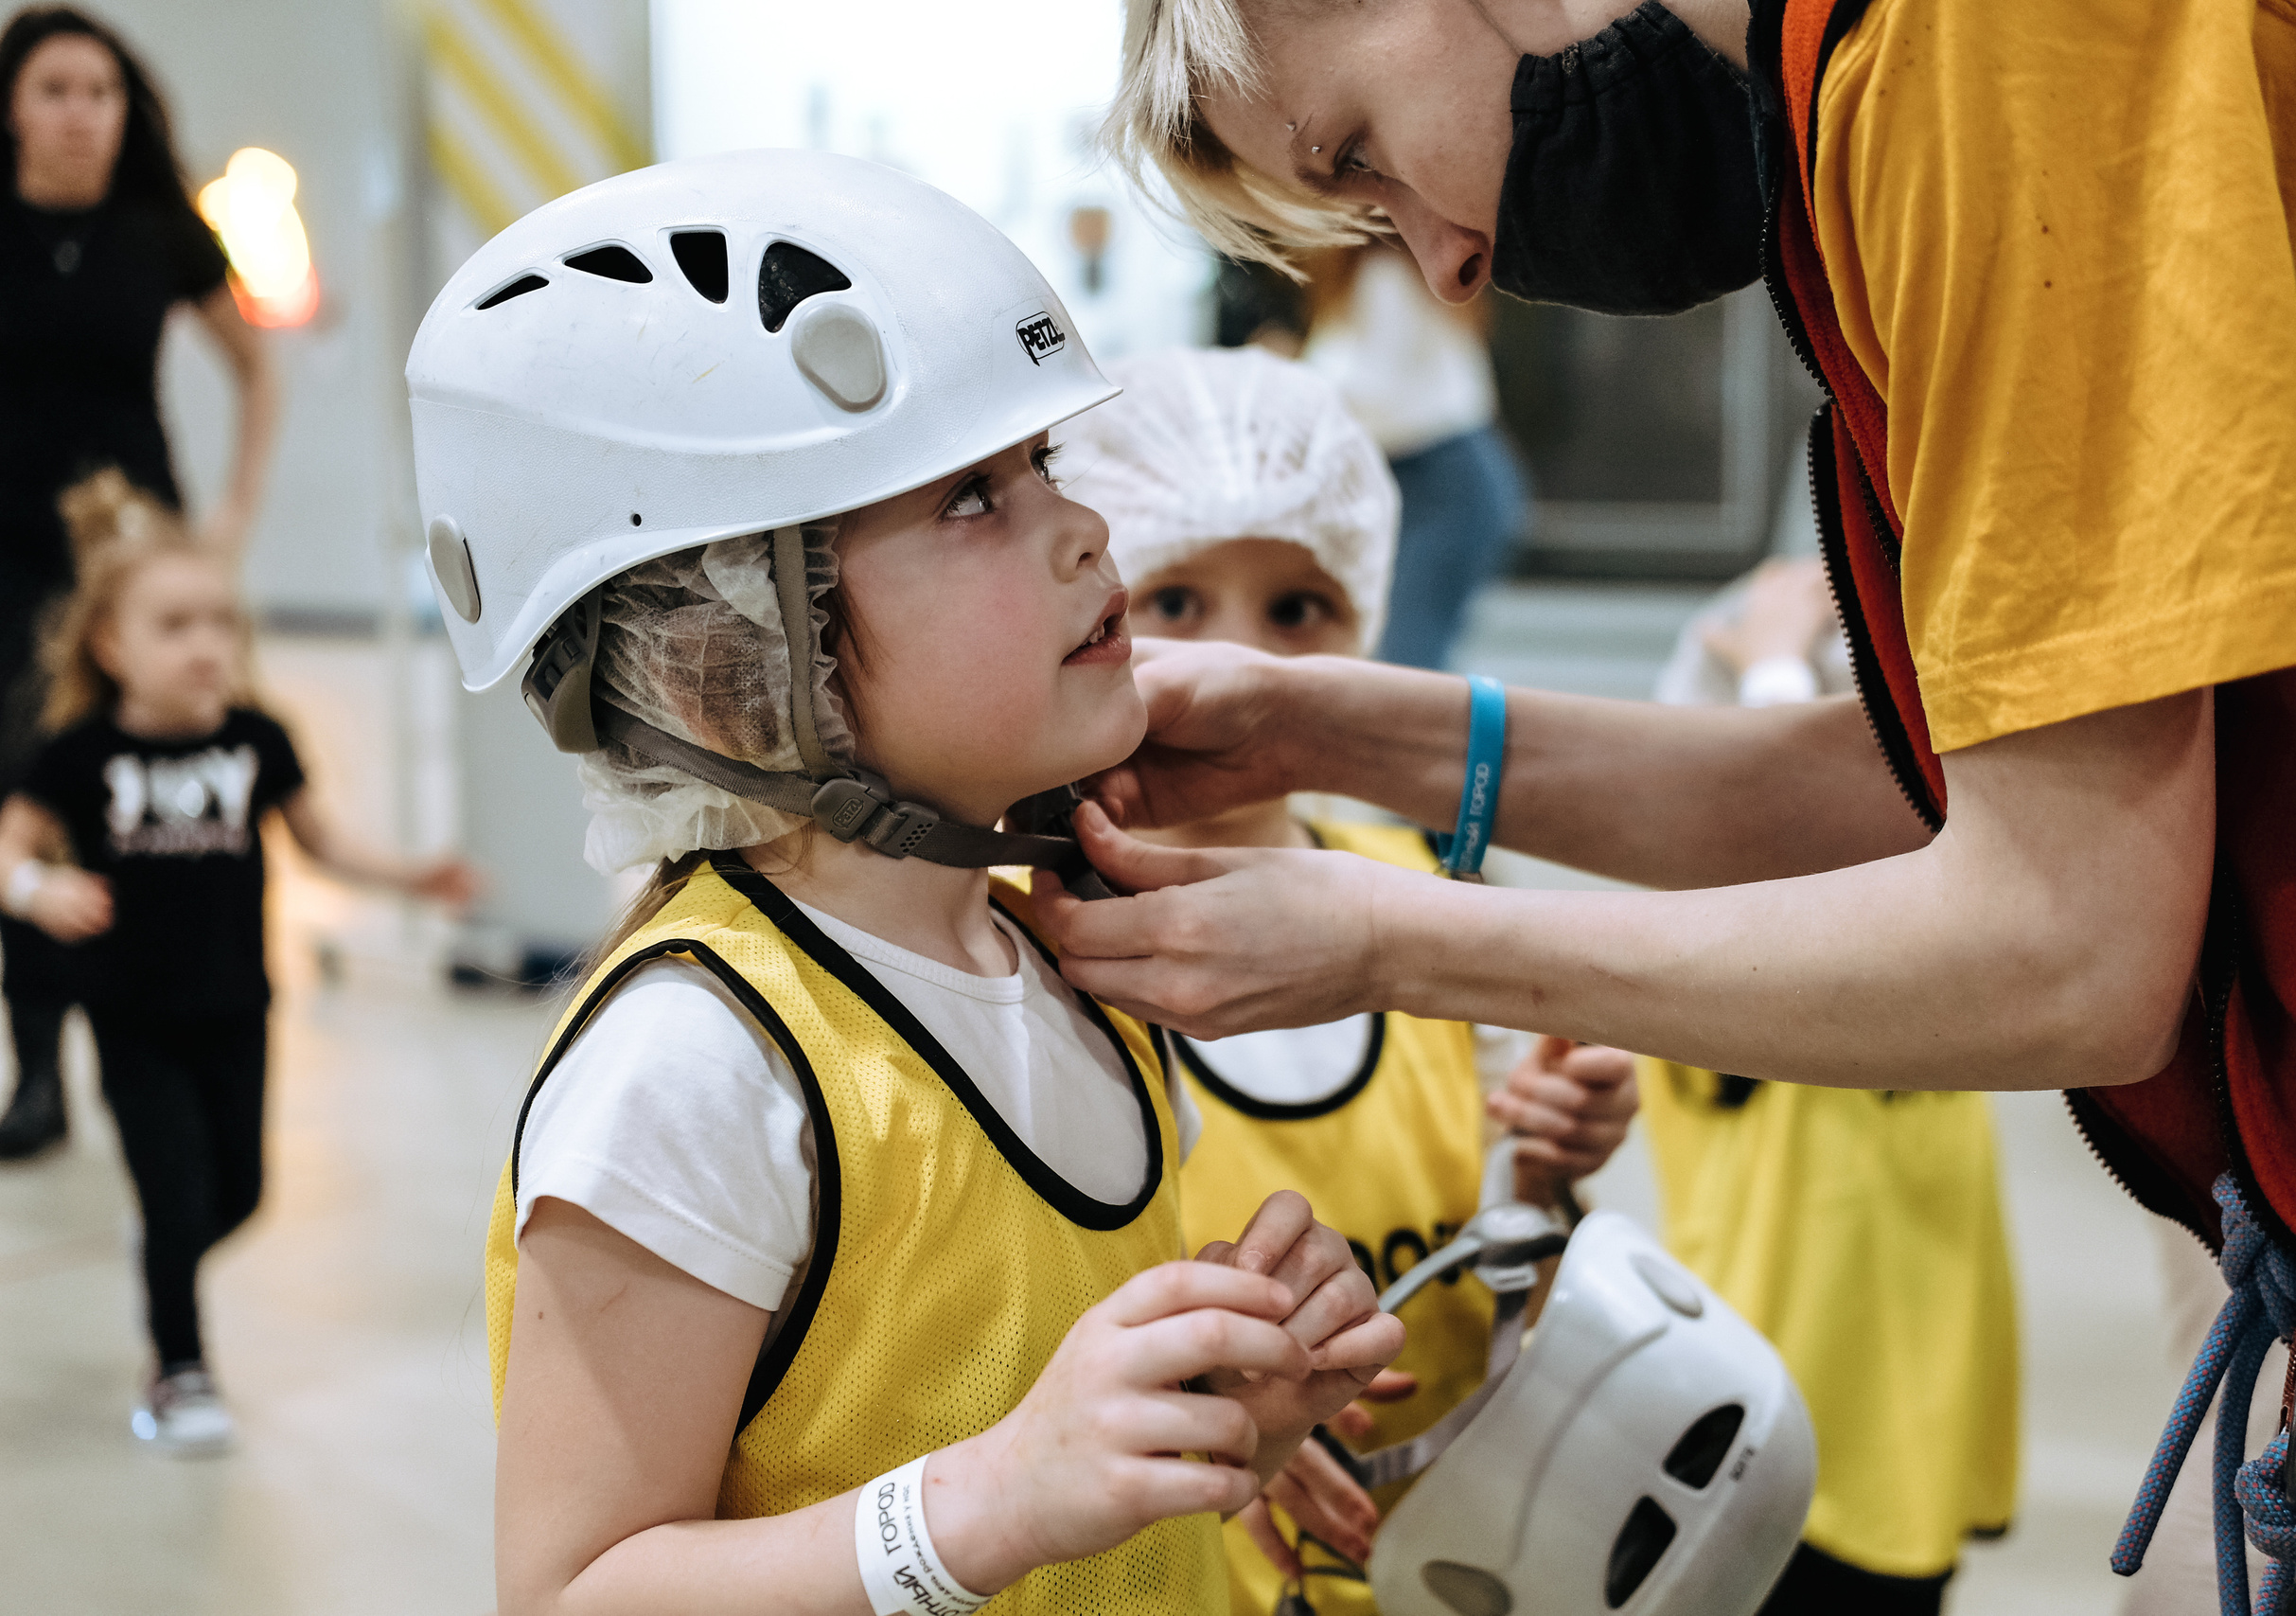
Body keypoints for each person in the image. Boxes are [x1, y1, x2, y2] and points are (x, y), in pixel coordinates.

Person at [1065, 1, 2296, 1607]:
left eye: (1364, 153)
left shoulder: (1987, 49)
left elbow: (2070, 940)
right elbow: (1933, 784)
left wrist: (1385, 935)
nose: (1440, 263)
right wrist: (1342, 733)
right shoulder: (1865, 113)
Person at [407, 151, 1401, 1614]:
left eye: (1043, 467)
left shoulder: (1059, 947)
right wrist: (984, 1500)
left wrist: (1207, 1407)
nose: (1084, 529)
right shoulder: (696, 1064)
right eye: (965, 498)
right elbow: (572, 1588)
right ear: (734, 649)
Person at [1058, 344, 1635, 1611]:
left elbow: (1511, 1265)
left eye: (1297, 611)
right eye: (1174, 601)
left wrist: (1549, 1163)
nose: (1240, 662)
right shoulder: (1023, 942)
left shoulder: (1427, 902)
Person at [0, 471, 473, 1452]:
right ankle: (180, 1369)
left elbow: (325, 844)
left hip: (236, 1008)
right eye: (174, 625)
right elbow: (9, 847)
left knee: (242, 1194)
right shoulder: (77, 755)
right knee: (175, 1195)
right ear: (110, 646)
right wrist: (36, 891)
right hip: (132, 1018)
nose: (207, 644)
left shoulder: (261, 740)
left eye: (220, 621)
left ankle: (164, 1255)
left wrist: (412, 876)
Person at [1642, 555, 2020, 1615]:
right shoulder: (1716, 969)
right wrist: (1773, 663)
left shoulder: (1939, 964)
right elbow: (1792, 840)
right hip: (1762, 1454)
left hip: (1896, 1442)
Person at [0, 6, 280, 1160]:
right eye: (57, 90)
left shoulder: (161, 230)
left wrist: (229, 521)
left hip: (126, 557)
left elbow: (258, 374)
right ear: (14, 106)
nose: (82, 114)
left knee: (144, 791)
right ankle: (37, 1070)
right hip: (7, 562)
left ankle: (152, 1035)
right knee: (33, 793)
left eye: (102, 92)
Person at [1296, 243, 1528, 672]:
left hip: (1443, 480)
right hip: (1432, 478)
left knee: (1407, 657)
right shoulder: (1382, 276)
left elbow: (1375, 394)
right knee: (1401, 653)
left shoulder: (1385, 275)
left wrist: (1286, 382)